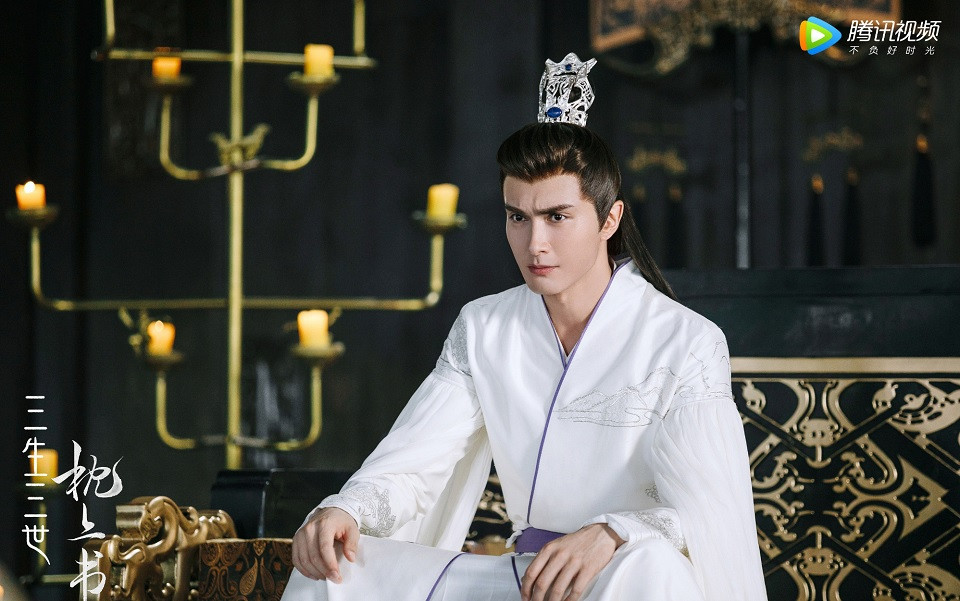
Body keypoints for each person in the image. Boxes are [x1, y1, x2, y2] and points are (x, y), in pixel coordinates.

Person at [282, 54, 767, 601]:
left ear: (609, 219)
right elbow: (413, 465)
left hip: (627, 574)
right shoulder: (483, 328)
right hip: (527, 578)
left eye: (557, 217)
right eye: (518, 217)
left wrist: (614, 532)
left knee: (653, 567)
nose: (535, 244)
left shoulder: (687, 341)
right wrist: (347, 509)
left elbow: (709, 514)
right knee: (336, 568)